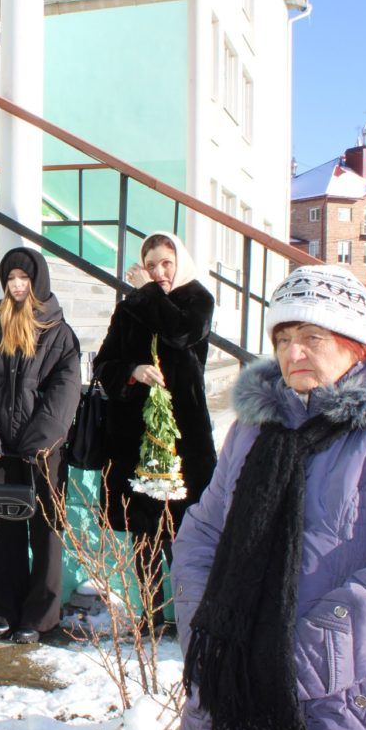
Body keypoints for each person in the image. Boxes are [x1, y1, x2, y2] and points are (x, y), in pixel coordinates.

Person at [172, 265, 366, 730]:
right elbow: (201, 535)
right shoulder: (252, 431)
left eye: (312, 336)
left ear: (357, 346)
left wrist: (292, 663)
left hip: (352, 707)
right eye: (282, 338)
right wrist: (209, 640)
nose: (293, 352)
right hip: (232, 692)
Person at [92, 231, 216, 632]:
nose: (160, 272)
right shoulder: (130, 308)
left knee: (184, 533)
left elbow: (180, 333)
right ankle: (151, 616)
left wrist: (146, 293)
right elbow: (104, 364)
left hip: (182, 441)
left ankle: (192, 617)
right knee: (144, 535)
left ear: (179, 262)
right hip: (136, 441)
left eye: (166, 263)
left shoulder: (196, 299)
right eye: (151, 265)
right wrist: (132, 371)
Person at [0, 247, 81, 644]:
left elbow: (65, 391)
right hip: (0, 448)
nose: (16, 286)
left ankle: (40, 616)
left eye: (23, 278)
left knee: (46, 533)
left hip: (42, 453)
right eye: (10, 279)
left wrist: (39, 440)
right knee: (3, 531)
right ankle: (4, 610)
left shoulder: (59, 334)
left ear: (38, 282)